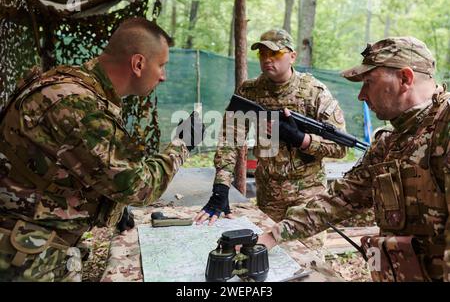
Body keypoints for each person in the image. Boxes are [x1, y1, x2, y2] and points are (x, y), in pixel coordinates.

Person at [0, 17, 204, 281]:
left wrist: (110, 204)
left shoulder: (73, 85)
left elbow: (70, 166)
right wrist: (182, 144)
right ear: (138, 64)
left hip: (32, 243)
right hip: (25, 255)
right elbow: (139, 186)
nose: (163, 76)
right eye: (162, 65)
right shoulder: (77, 105)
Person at [257, 36, 450, 282]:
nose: (361, 95)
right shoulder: (391, 141)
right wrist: (274, 234)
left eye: (368, 82)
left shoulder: (444, 127)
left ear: (405, 78)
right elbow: (341, 197)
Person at [194, 29, 347, 232]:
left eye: (274, 54)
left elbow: (341, 147)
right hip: (268, 198)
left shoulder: (314, 93)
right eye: (262, 54)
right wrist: (221, 188)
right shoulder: (249, 92)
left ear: (292, 56)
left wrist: (302, 139)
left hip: (308, 198)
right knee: (269, 259)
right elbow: (230, 139)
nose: (267, 59)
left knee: (308, 260)